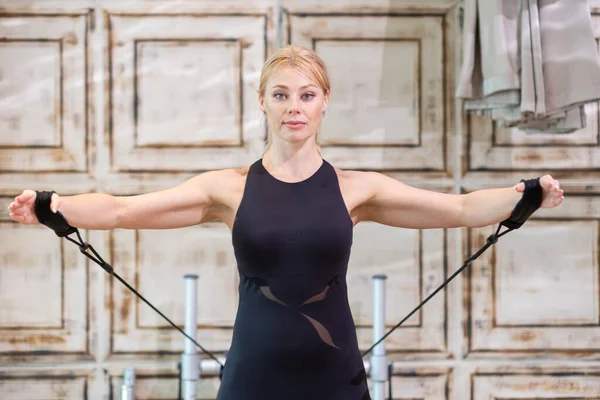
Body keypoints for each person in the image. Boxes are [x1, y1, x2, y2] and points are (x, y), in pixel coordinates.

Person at [8, 45, 564, 400]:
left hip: (336, 378)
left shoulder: (357, 188)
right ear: (262, 103)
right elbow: (125, 208)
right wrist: (53, 204)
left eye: (307, 95)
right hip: (252, 377)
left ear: (324, 104)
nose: (294, 106)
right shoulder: (227, 188)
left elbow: (461, 209)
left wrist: (524, 195)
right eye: (281, 95)